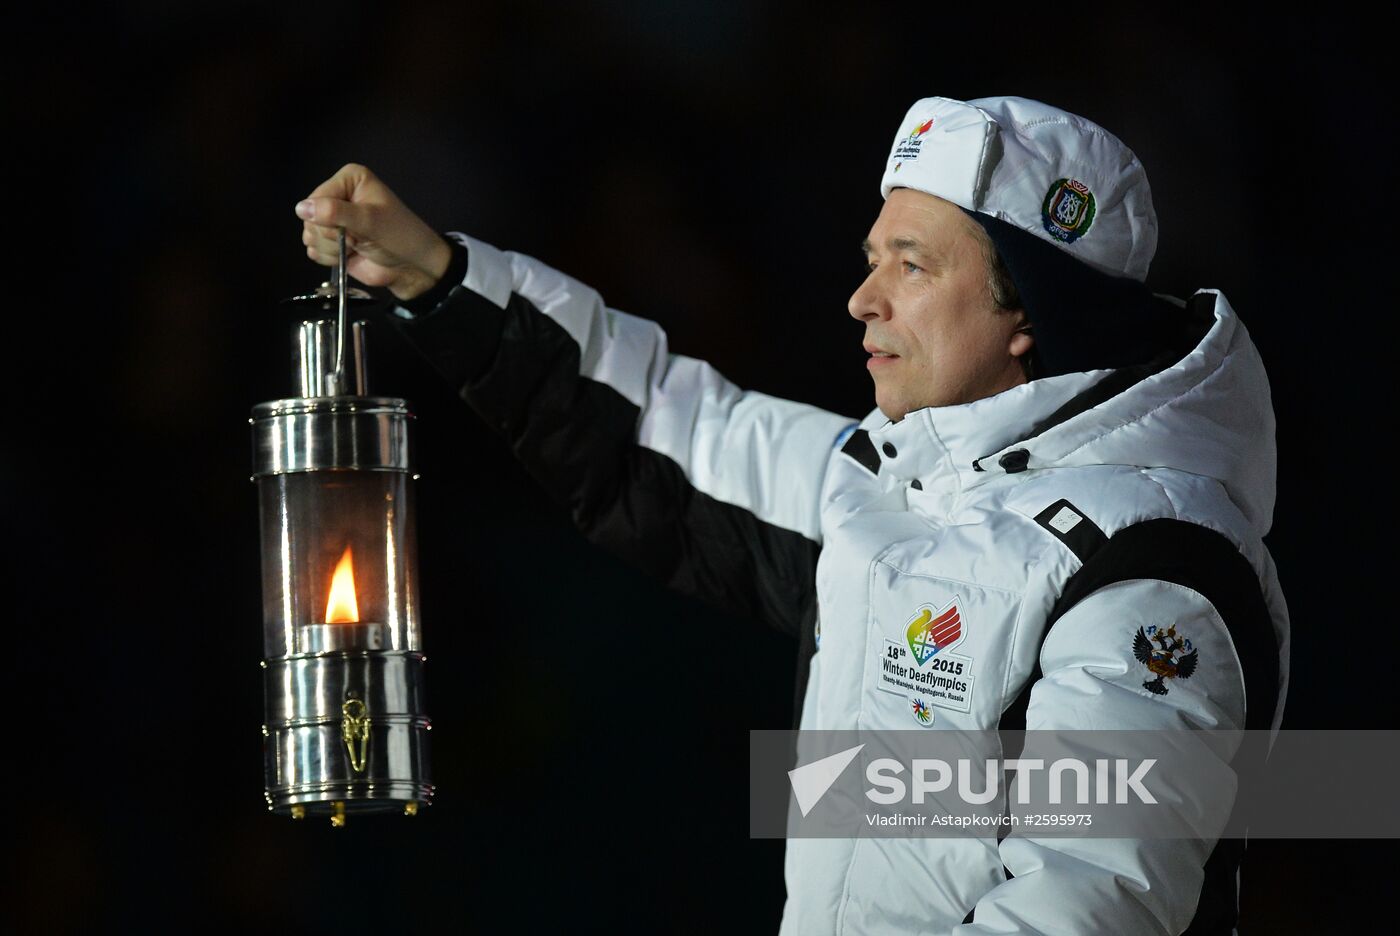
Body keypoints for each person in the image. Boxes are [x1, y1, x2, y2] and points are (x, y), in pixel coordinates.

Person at [295, 95, 1289, 934]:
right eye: (870, 257)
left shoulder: (1149, 572)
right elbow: (661, 427)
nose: (861, 298)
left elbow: (1087, 906)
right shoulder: (888, 478)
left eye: (910, 264)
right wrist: (439, 278)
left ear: (1031, 309)